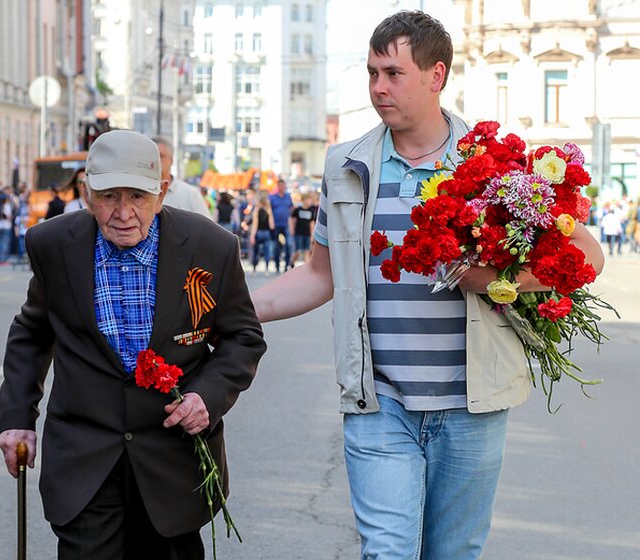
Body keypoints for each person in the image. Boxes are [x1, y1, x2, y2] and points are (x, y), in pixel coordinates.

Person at [250, 11, 605, 560]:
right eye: (371, 73)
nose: (377, 88)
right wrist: (232, 308)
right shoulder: (346, 164)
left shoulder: (494, 166)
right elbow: (321, 275)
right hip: (379, 401)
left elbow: (587, 254)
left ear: (436, 75)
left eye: (392, 73)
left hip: (472, 405)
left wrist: (500, 280)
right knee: (387, 551)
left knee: (452, 552)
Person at [0, 129, 265, 559]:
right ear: (86, 193)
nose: (123, 213)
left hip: (172, 463)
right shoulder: (52, 245)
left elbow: (243, 337)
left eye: (137, 197)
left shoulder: (210, 247)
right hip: (85, 460)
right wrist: (16, 417)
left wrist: (206, 396)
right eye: (109, 197)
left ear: (161, 193)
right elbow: (32, 332)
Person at [154, 136, 211, 217]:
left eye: (160, 156)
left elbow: (207, 227)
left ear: (171, 161)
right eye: (151, 156)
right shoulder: (136, 192)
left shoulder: (191, 195)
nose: (155, 160)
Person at [269, 178, 294, 272]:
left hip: (286, 224)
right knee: (276, 246)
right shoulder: (272, 197)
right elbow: (269, 211)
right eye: (280, 186)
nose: (282, 188)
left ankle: (286, 265)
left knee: (288, 245)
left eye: (283, 186)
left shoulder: (288, 197)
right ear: (277, 187)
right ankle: (277, 265)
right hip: (276, 225)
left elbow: (291, 208)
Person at [249, 191, 275, 274]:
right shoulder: (269, 211)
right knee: (267, 251)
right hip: (267, 233)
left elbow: (255, 225)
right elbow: (272, 226)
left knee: (256, 251)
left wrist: (252, 236)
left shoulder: (256, 211)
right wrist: (270, 213)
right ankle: (266, 269)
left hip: (258, 233)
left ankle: (254, 269)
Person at [289, 191, 318, 267]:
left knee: (307, 251)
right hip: (298, 233)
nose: (309, 202)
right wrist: (292, 229)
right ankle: (292, 262)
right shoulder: (298, 209)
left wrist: (312, 234)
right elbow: (292, 219)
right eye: (308, 200)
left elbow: (311, 223)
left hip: (307, 233)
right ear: (303, 200)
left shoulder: (311, 211)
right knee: (297, 251)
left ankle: (306, 267)